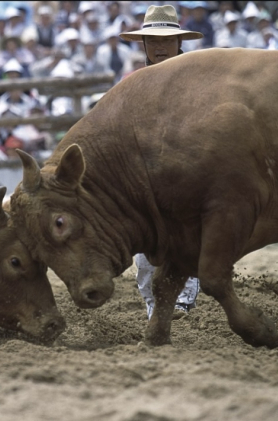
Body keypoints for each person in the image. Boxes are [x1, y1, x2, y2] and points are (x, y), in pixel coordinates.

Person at [119, 4, 203, 319]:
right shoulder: (132, 84)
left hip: (186, 170)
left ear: (178, 44)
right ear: (143, 46)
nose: (159, 47)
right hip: (144, 174)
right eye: (152, 41)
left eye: (166, 41)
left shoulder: (197, 81)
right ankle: (155, 304)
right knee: (147, 245)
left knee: (184, 235)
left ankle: (180, 301)